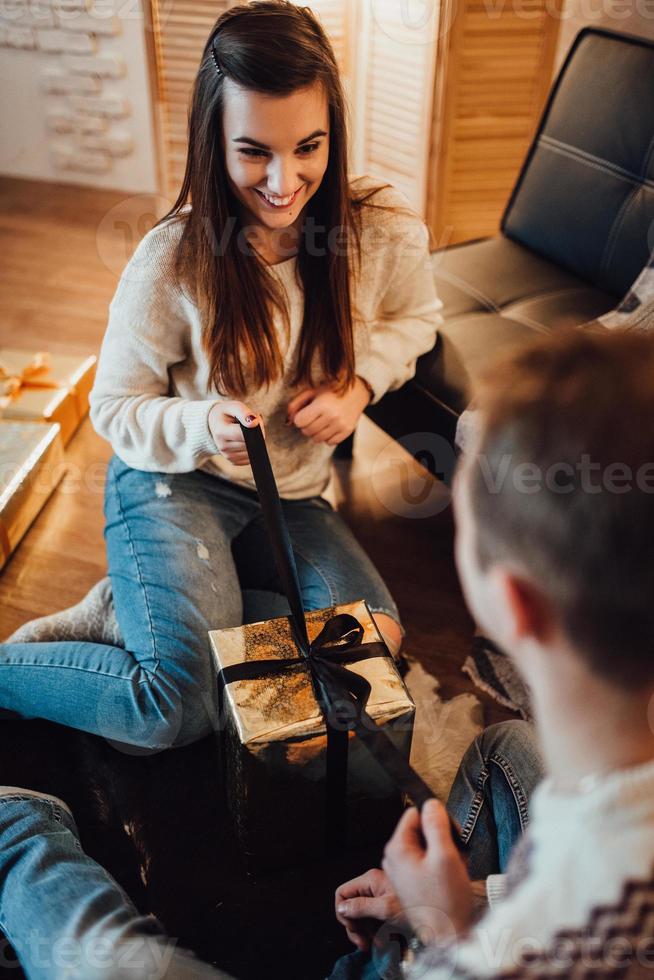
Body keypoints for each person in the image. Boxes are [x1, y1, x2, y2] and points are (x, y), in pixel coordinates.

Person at [0, 1, 442, 750]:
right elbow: (113, 406)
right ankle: (128, 637)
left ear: (333, 127)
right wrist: (199, 422)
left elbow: (418, 318)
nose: (285, 180)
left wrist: (359, 383)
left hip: (292, 495)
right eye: (253, 152)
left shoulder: (382, 227)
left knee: (375, 648)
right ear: (213, 141)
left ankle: (143, 612)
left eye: (309, 146)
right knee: (176, 707)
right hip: (173, 481)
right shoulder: (171, 260)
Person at [333, 328, 654, 979]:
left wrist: (443, 931)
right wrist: (474, 900)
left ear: (513, 603)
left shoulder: (559, 937)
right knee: (506, 748)